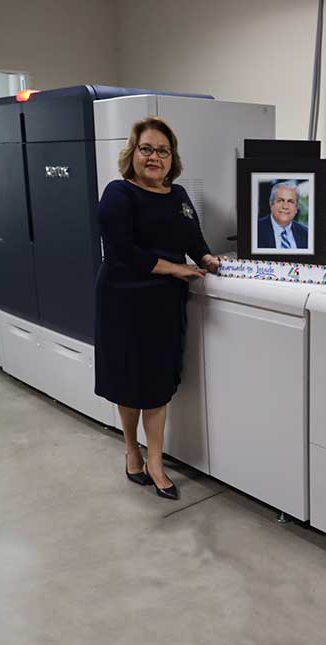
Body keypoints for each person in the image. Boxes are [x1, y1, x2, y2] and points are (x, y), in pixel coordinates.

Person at [94, 116, 220, 500]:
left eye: (163, 151)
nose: (154, 157)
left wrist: (208, 258)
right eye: (146, 149)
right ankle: (133, 451)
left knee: (159, 387)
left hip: (165, 304)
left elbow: (193, 237)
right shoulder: (119, 193)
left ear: (172, 158)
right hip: (125, 300)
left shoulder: (178, 196)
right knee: (131, 384)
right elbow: (123, 251)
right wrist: (176, 267)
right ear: (133, 153)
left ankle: (155, 462)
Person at [257, 181, 309, 249]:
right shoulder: (255, 229)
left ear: (296, 208)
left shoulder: (306, 234)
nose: (285, 206)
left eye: (290, 201)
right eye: (280, 200)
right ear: (271, 204)